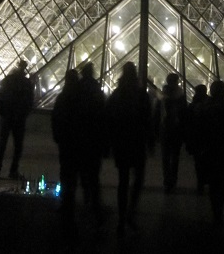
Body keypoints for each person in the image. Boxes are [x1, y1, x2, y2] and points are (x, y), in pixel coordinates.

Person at [51, 64, 106, 231]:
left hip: (68, 145)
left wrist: (59, 138)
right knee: (90, 178)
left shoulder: (64, 97)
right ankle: (93, 208)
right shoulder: (92, 94)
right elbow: (100, 119)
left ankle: (68, 208)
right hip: (88, 144)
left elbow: (56, 119)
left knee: (68, 178)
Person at [106, 62, 154, 237]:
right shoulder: (142, 95)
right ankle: (130, 214)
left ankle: (121, 218)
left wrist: (110, 143)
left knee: (123, 181)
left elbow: (109, 119)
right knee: (137, 180)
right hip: (137, 143)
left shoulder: (117, 94)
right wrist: (150, 142)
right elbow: (148, 120)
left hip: (121, 143)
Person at [197, 80, 224, 226]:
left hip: (209, 149)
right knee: (221, 183)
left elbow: (198, 129)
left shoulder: (205, 107)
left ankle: (215, 210)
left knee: (213, 183)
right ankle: (219, 211)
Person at [0, 59, 34, 180]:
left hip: (7, 116)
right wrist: (25, 113)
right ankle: (13, 170)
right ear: (24, 69)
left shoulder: (7, 80)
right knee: (18, 146)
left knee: (2, 143)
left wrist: (2, 112)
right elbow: (30, 101)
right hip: (19, 117)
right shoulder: (27, 83)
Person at [155, 73, 188, 193]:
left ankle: (166, 181)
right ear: (177, 81)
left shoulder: (161, 96)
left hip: (164, 129)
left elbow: (156, 113)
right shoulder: (181, 95)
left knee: (165, 157)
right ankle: (173, 180)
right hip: (177, 130)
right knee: (175, 157)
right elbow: (185, 114)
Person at [185, 84, 208, 194]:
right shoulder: (209, 104)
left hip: (196, 137)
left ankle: (200, 182)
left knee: (198, 162)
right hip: (206, 137)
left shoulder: (193, 105)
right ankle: (204, 181)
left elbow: (187, 121)